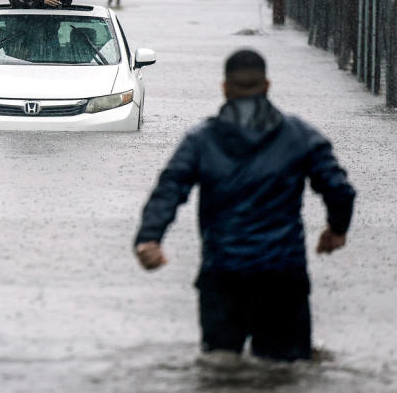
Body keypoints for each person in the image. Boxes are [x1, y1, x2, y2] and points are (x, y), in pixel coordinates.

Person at [133, 49, 356, 362]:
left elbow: (170, 188)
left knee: (220, 371)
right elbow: (340, 189)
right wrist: (336, 229)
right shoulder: (300, 136)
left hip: (223, 273)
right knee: (286, 373)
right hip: (283, 275)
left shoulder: (200, 140)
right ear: (267, 85)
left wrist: (149, 238)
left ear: (224, 87)